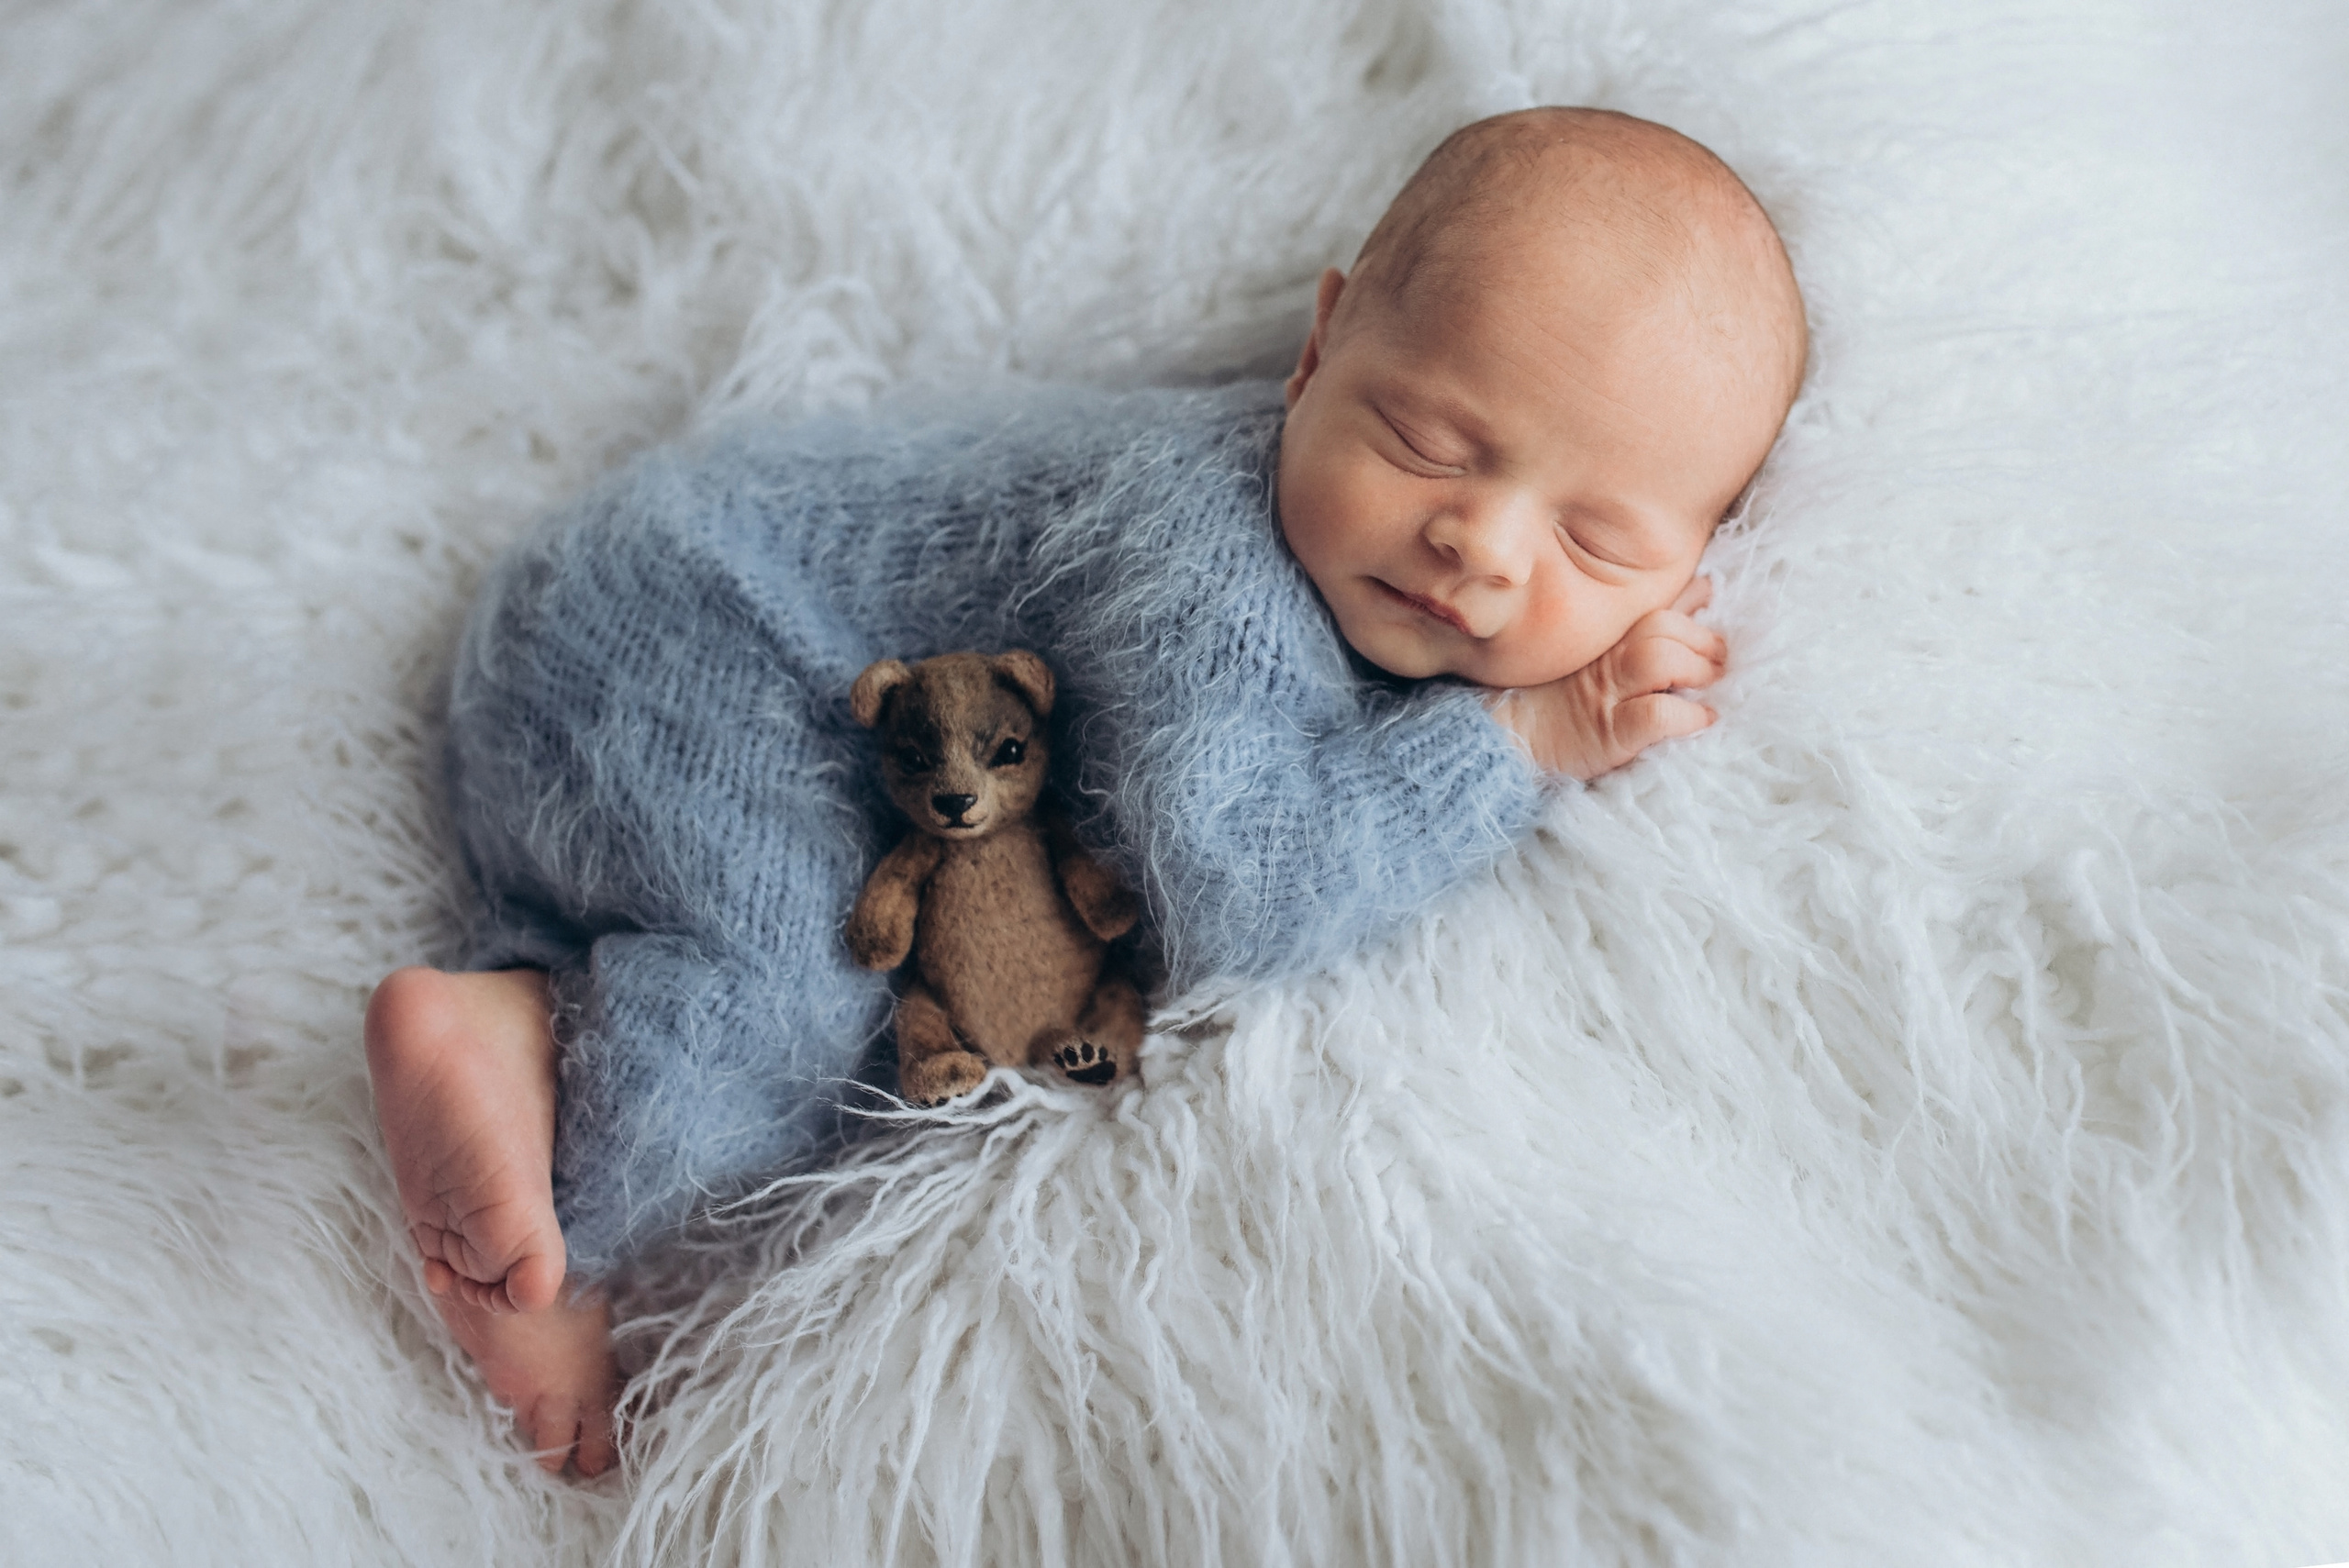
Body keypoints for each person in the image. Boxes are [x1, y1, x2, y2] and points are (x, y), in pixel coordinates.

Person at [364, 106, 1809, 1475]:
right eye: (1428, 443)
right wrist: (1524, 743)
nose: (1478, 545)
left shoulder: (1373, 565)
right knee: (802, 975)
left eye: (1597, 541)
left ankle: (518, 1018)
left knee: (781, 918)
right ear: (1317, 351)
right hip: (683, 630)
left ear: (1697, 555)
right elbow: (1238, 889)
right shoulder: (1210, 567)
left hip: (675, 674)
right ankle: (558, 1235)